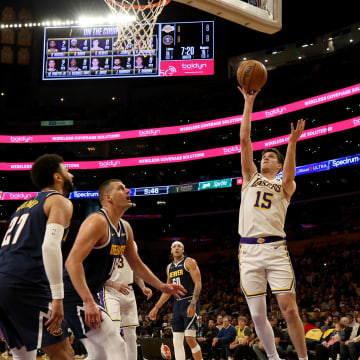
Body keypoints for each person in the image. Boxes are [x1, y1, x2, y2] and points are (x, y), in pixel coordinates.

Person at [64, 179, 185, 360]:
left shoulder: (125, 227)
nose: (128, 190)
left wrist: (161, 286)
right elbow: (72, 262)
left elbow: (136, 264)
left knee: (102, 352)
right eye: (121, 188)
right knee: (115, 346)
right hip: (73, 294)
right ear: (108, 198)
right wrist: (88, 301)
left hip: (87, 294)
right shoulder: (96, 222)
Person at [237, 86, 307, 360]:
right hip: (249, 251)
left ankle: (303, 359)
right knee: (257, 315)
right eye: (263, 155)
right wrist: (249, 102)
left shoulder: (285, 186)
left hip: (276, 250)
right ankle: (274, 359)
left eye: (270, 157)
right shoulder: (250, 177)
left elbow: (289, 173)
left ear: (278, 165)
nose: (264, 157)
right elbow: (244, 140)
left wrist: (291, 143)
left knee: (289, 309)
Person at [0, 154, 74, 360]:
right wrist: (58, 296)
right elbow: (50, 247)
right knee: (64, 354)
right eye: (67, 171)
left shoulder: (23, 207)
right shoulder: (59, 201)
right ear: (57, 177)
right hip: (26, 283)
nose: (72, 174)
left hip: (4, 281)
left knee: (23, 355)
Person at [150, 241, 203, 360]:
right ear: (171, 251)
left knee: (190, 339)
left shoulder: (189, 262)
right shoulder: (169, 267)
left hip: (190, 301)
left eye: (179, 246)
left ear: (183, 250)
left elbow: (198, 283)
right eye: (174, 246)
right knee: (177, 340)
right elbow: (167, 291)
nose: (177, 248)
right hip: (177, 304)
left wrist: (194, 302)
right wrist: (156, 307)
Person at [102, 241, 153, 360]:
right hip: (111, 291)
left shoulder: (132, 243)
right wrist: (115, 285)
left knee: (131, 335)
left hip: (129, 291)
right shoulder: (105, 240)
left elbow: (135, 270)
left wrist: (143, 287)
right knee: (113, 332)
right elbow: (96, 274)